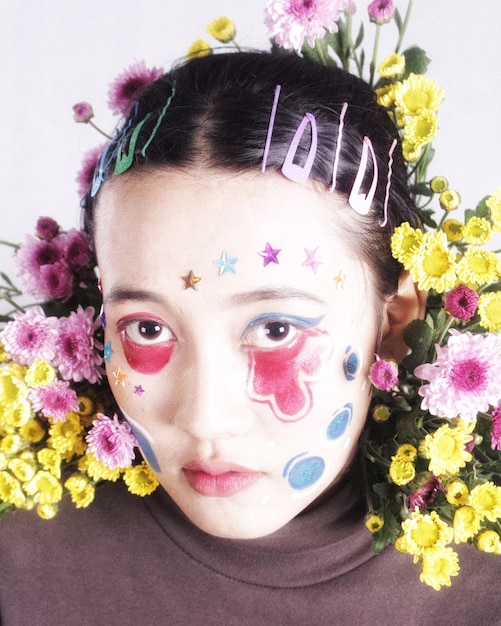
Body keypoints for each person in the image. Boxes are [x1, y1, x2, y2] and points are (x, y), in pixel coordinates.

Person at [0, 51, 499, 625]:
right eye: (147, 327)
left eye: (276, 328)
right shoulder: (21, 569)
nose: (206, 419)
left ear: (395, 322)